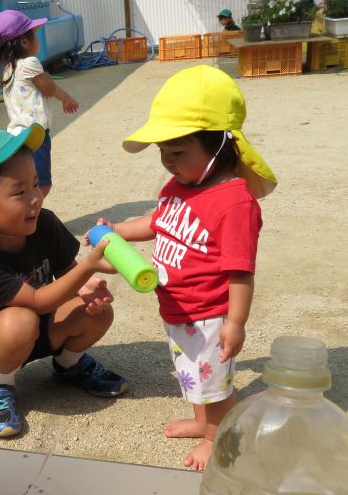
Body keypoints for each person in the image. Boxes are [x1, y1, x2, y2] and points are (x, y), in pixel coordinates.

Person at [103, 66, 276, 472]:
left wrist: (236, 322)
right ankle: (203, 422)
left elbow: (240, 271)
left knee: (214, 383)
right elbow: (158, 221)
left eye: (178, 152)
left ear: (218, 146)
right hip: (178, 309)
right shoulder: (179, 186)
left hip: (210, 314)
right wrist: (119, 231)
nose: (167, 161)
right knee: (193, 374)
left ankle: (218, 436)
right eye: (163, 151)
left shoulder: (234, 203)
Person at [0, 126, 128, 438]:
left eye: (35, 185)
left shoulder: (44, 223)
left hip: (42, 322)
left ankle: (70, 365)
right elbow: (36, 302)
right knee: (18, 322)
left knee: (98, 310)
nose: (36, 198)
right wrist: (89, 266)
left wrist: (86, 289)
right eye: (19, 192)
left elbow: (65, 269)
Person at [0, 10, 79, 199]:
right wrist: (66, 98)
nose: (37, 39)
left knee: (26, 182)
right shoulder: (30, 63)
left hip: (16, 136)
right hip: (36, 135)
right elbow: (49, 89)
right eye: (34, 35)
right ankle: (30, 218)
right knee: (42, 184)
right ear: (24, 42)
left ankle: (24, 217)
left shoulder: (6, 68)